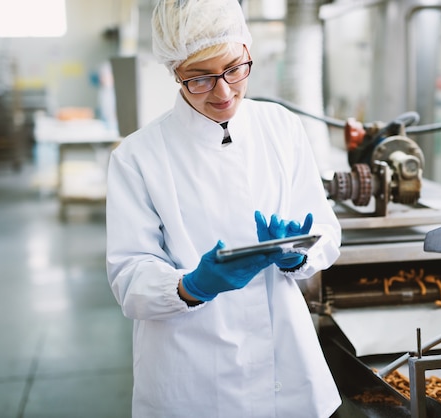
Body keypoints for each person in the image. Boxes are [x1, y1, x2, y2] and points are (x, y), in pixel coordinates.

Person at [105, 0, 342, 416]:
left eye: (234, 68)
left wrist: (297, 255)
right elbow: (128, 275)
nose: (224, 91)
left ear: (247, 51)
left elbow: (324, 229)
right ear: (175, 73)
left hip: (283, 371)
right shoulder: (138, 156)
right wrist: (192, 286)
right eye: (200, 78)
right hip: (192, 375)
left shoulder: (281, 127)